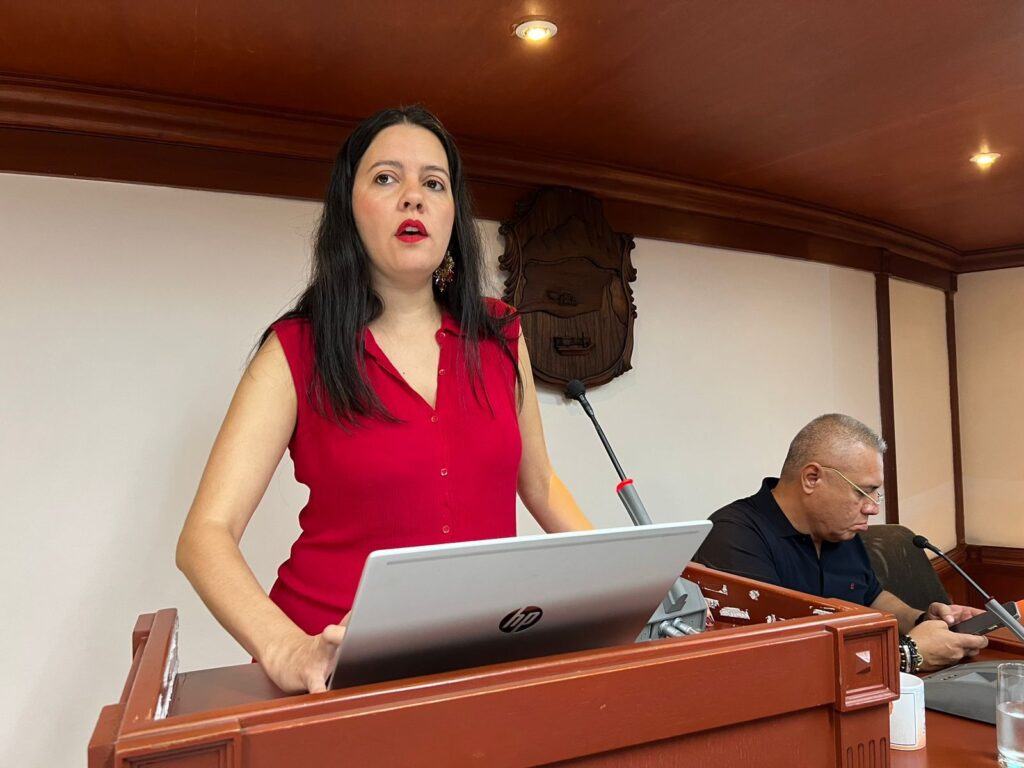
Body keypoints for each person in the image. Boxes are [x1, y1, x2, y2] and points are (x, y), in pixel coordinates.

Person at [176, 105, 592, 694]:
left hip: (479, 657)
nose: (413, 197)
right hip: (334, 676)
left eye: (434, 183)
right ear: (349, 208)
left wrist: (622, 586)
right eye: (386, 177)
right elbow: (206, 534)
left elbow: (541, 485)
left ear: (452, 213)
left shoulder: (501, 332)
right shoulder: (295, 350)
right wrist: (284, 646)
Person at [694, 413, 987, 672]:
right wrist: (905, 654)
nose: (873, 508)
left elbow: (871, 597)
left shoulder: (837, 528)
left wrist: (920, 620)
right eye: (862, 492)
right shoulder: (733, 535)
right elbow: (772, 657)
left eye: (876, 493)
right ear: (812, 478)